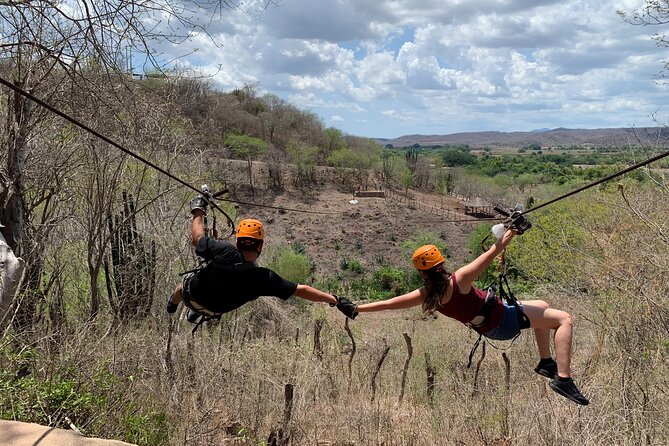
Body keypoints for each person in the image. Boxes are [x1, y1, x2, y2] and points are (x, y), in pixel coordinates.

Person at [353, 221, 589, 406]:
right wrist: (513, 231)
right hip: (503, 321)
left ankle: (546, 362)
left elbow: (389, 303)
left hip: (491, 326)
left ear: (422, 273)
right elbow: (493, 253)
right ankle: (564, 379)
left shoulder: (426, 294)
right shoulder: (460, 280)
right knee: (563, 319)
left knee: (542, 305)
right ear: (441, 264)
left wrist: (356, 308)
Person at [166, 196, 357, 321]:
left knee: (182, 287)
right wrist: (336, 300)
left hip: (191, 296)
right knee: (217, 294)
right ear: (261, 245)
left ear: (238, 240)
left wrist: (198, 209)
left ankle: (172, 305)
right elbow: (303, 290)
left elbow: (197, 237)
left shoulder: (222, 249)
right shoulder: (264, 279)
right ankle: (197, 311)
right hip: (214, 310)